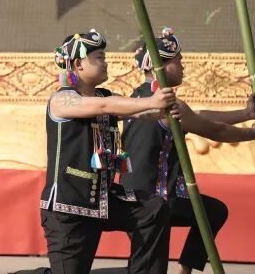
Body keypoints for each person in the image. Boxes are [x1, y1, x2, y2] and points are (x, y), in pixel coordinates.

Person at [40, 30, 177, 274]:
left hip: (103, 200)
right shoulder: (62, 100)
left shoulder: (105, 96)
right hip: (68, 208)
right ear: (78, 64)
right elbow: (105, 106)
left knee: (153, 209)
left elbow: (139, 112)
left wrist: (163, 111)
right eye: (99, 58)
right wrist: (151, 101)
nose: (106, 63)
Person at [120, 27, 255, 274]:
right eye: (178, 61)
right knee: (149, 269)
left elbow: (199, 116)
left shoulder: (136, 97)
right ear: (161, 66)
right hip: (156, 200)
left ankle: (185, 269)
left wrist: (246, 114)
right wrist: (253, 133)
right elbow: (216, 131)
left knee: (211, 212)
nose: (183, 66)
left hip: (133, 195)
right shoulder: (167, 104)